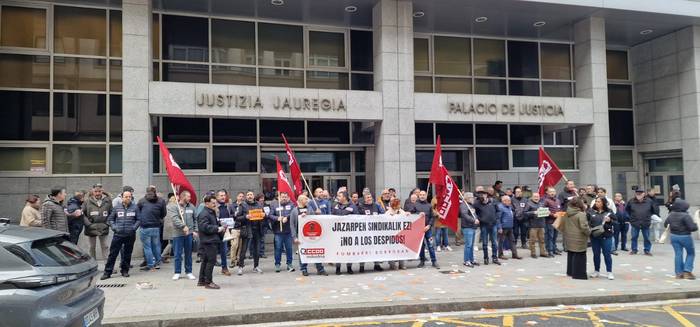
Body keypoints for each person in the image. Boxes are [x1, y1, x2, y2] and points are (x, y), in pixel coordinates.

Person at [102, 190, 139, 280]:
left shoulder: (135, 208)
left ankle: (125, 271)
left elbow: (139, 220)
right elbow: (110, 220)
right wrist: (115, 228)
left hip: (130, 235)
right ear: (122, 197)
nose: (128, 198)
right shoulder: (116, 208)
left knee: (127, 253)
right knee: (113, 254)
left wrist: (133, 228)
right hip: (118, 234)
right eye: (126, 197)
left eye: (129, 197)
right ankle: (107, 272)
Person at [291, 195, 328, 276]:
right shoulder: (294, 211)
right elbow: (292, 225)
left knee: (316, 251)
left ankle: (320, 268)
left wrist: (317, 214)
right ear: (300, 200)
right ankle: (303, 269)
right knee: (303, 252)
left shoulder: (310, 208)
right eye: (305, 199)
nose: (307, 200)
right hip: (300, 235)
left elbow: (314, 219)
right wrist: (294, 237)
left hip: (312, 234)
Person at [664, 199, 698, 279]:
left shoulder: (671, 214)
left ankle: (679, 273)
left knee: (678, 254)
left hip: (674, 236)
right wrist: (696, 224)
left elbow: (666, 225)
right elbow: (692, 228)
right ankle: (687, 271)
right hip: (685, 236)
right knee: (690, 253)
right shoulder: (686, 215)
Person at [197, 195, 225, 289]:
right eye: (213, 203)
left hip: (209, 240)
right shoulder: (204, 213)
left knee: (205, 260)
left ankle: (202, 280)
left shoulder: (210, 212)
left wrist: (219, 224)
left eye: (215, 202)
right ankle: (208, 282)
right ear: (207, 203)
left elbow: (209, 224)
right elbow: (204, 227)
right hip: (209, 240)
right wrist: (218, 228)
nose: (215, 204)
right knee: (211, 261)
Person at [168, 190, 197, 281]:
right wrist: (183, 226)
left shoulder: (191, 206)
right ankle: (177, 272)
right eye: (188, 196)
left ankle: (189, 272)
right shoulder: (174, 206)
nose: (190, 198)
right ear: (183, 197)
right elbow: (175, 218)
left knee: (188, 254)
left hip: (189, 234)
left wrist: (195, 230)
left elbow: (195, 219)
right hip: (178, 234)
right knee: (177, 254)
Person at [138, 186, 167, 271]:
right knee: (156, 245)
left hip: (145, 226)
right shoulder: (161, 201)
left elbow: (137, 211)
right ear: (155, 191)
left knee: (147, 247)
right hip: (156, 226)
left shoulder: (142, 201)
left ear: (147, 191)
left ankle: (150, 265)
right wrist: (158, 218)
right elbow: (164, 213)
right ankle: (157, 262)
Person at [235, 191, 265, 275]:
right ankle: (240, 267)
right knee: (244, 249)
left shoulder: (259, 204)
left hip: (257, 230)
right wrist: (245, 216)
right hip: (247, 229)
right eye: (248, 195)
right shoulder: (242, 205)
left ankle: (256, 266)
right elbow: (237, 218)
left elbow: (264, 215)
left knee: (257, 250)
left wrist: (263, 215)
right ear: (246, 197)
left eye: (251, 194)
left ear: (253, 196)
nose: (249, 196)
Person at [357, 192, 386, 271]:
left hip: (376, 232)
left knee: (376, 248)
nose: (369, 199)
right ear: (364, 199)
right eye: (367, 197)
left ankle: (376, 265)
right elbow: (357, 217)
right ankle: (362, 266)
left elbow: (383, 213)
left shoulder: (376, 205)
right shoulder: (361, 206)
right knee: (363, 249)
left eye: (370, 197)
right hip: (364, 232)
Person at [563, 197, 591, 280]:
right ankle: (579, 275)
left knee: (571, 254)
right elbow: (584, 227)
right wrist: (589, 232)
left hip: (569, 236)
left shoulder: (567, 212)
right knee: (580, 255)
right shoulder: (581, 214)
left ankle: (570, 272)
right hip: (579, 238)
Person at [82, 184, 112, 259]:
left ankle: (108, 267)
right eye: (96, 191)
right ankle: (93, 265)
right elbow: (82, 214)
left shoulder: (108, 201)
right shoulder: (87, 201)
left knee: (105, 246)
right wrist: (88, 224)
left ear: (102, 191)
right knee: (91, 247)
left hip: (103, 227)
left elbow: (112, 213)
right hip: (91, 228)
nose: (97, 193)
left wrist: (107, 224)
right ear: (92, 191)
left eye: (99, 191)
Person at [332, 191, 358, 275]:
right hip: (338, 233)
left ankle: (349, 267)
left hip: (349, 233)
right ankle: (338, 268)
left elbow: (357, 218)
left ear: (344, 197)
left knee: (349, 251)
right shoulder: (335, 206)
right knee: (338, 251)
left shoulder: (352, 206)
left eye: (339, 196)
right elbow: (331, 217)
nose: (337, 197)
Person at [589, 197, 616, 280]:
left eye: (599, 202)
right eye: (596, 201)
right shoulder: (590, 211)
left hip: (606, 236)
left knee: (607, 254)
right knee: (596, 254)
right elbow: (586, 221)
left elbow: (616, 222)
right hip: (595, 236)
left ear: (603, 203)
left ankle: (609, 272)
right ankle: (596, 271)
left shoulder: (609, 212)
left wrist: (610, 220)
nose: (597, 203)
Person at [626, 187, 658, 255]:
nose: (638, 194)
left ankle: (647, 250)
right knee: (634, 237)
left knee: (647, 237)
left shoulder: (649, 201)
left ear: (644, 194)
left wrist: (648, 216)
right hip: (635, 222)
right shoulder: (631, 201)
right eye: (637, 193)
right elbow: (627, 210)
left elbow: (653, 210)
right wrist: (630, 218)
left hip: (645, 222)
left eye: (640, 193)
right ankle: (634, 250)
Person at [270, 192, 296, 273]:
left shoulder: (291, 204)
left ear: (288, 197)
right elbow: (270, 215)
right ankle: (277, 264)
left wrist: (286, 217)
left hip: (288, 231)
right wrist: (278, 218)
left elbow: (293, 213)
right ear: (279, 197)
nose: (284, 198)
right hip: (278, 231)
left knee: (289, 248)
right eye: (282, 197)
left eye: (285, 197)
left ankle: (289, 264)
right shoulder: (274, 205)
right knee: (278, 248)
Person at [473, 191, 501, 265]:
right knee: (485, 243)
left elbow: (498, 211)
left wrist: (496, 218)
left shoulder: (493, 201)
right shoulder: (477, 203)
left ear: (487, 195)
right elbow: (474, 212)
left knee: (494, 242)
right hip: (484, 225)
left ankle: (495, 258)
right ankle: (486, 258)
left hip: (493, 224)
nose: (483, 197)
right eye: (481, 196)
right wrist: (480, 218)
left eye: (484, 195)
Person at [215, 190, 234, 276]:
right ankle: (208, 268)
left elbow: (233, 215)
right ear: (217, 197)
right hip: (215, 231)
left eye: (224, 195)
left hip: (225, 232)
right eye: (221, 195)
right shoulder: (214, 206)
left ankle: (224, 268)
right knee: (212, 251)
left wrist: (231, 221)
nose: (223, 197)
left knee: (224, 250)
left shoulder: (228, 206)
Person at [497, 196, 522, 260]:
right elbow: (498, 218)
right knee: (501, 242)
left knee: (512, 241)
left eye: (510, 201)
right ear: (504, 201)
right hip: (503, 228)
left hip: (510, 227)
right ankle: (500, 254)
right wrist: (499, 227)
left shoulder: (509, 207)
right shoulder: (500, 207)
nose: (510, 202)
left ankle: (515, 254)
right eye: (508, 201)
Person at [524, 193, 547, 258]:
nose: (536, 198)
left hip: (541, 225)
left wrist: (547, 212)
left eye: (537, 196)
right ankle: (533, 253)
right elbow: (525, 213)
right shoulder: (529, 204)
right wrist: (533, 212)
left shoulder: (541, 204)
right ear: (532, 197)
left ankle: (543, 253)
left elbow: (545, 212)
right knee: (532, 240)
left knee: (542, 240)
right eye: (535, 196)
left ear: (539, 197)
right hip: (533, 225)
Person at [460, 192, 479, 267]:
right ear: (467, 198)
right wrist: (473, 220)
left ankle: (471, 259)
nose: (473, 199)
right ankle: (466, 261)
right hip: (467, 227)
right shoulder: (464, 205)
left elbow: (473, 214)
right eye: (471, 197)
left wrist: (476, 219)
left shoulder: (470, 205)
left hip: (472, 227)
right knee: (468, 245)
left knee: (471, 245)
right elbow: (464, 215)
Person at [543, 187, 563, 257]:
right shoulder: (546, 200)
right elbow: (543, 211)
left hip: (557, 222)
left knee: (555, 236)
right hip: (549, 222)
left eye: (553, 192)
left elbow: (560, 209)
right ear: (547, 192)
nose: (552, 193)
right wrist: (552, 215)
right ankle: (549, 250)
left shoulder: (557, 200)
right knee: (550, 236)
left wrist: (560, 214)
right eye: (550, 192)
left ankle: (554, 249)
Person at [228, 192, 246, 268]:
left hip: (242, 228)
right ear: (237, 197)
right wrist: (236, 215)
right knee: (234, 245)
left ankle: (239, 260)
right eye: (240, 196)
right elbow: (230, 216)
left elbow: (246, 216)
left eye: (242, 196)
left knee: (241, 246)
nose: (241, 197)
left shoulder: (245, 206)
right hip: (234, 228)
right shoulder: (232, 206)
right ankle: (232, 261)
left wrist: (237, 217)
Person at [160, 193, 176, 264]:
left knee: (172, 242)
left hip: (167, 226)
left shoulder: (167, 206)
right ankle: (163, 255)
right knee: (172, 242)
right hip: (173, 226)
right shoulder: (174, 206)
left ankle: (165, 256)